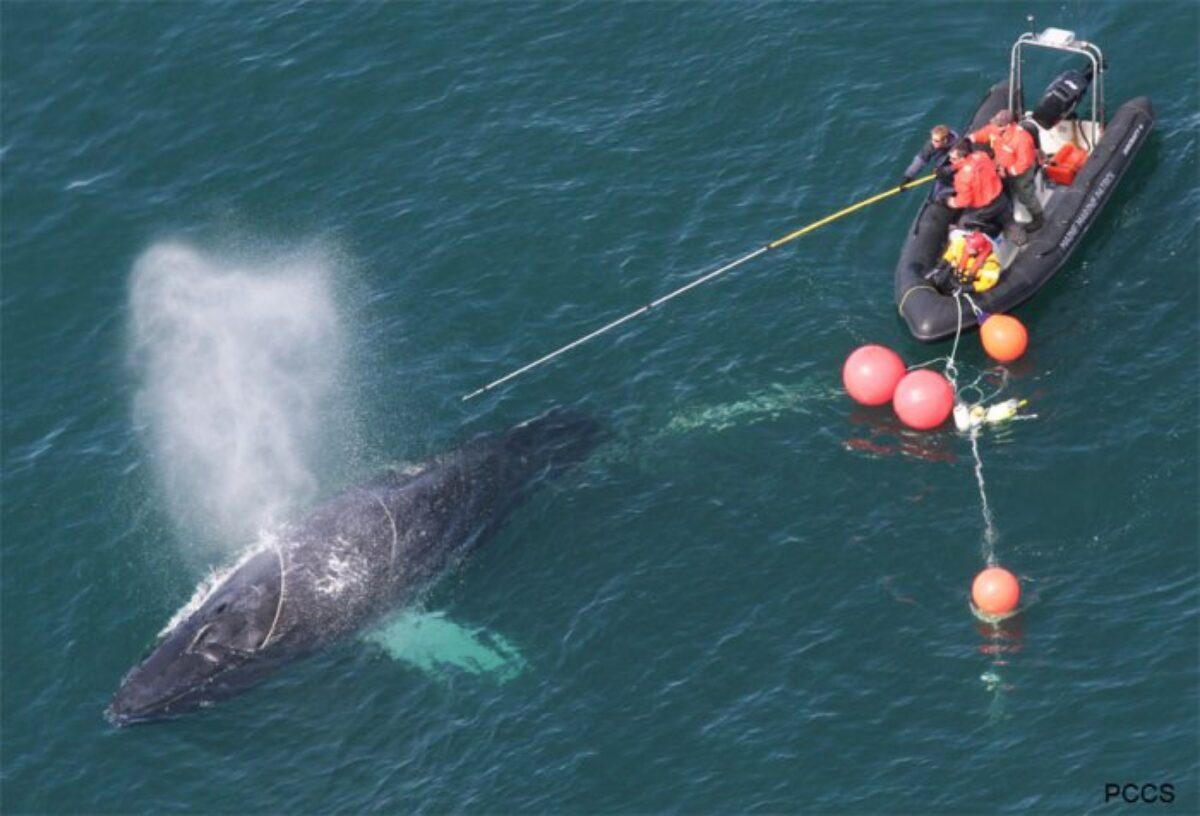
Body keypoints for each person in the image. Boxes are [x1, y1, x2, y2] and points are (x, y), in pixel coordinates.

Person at [972, 110, 1043, 231]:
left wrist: (1008, 172)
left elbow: (1024, 162)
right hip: (1002, 165)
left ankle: (1038, 218)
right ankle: (1004, 209)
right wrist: (970, 139)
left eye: (998, 125)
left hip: (1020, 172)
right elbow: (984, 133)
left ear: (1008, 125)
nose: (994, 127)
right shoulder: (995, 128)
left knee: (1025, 194)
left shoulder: (1021, 139)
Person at [946, 139, 1008, 236]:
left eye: (953, 159)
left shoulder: (961, 178)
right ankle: (1020, 238)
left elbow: (964, 201)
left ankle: (986, 234)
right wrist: (952, 167)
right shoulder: (982, 155)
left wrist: (951, 201)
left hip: (985, 207)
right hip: (1001, 198)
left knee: (964, 222)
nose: (950, 161)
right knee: (1009, 221)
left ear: (962, 159)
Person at [901, 124, 958, 202]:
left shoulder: (957, 147)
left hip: (954, 169)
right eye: (932, 139)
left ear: (945, 140)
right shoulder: (932, 145)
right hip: (942, 169)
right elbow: (920, 160)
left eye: (936, 141)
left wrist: (946, 170)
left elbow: (961, 163)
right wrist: (908, 177)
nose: (933, 143)